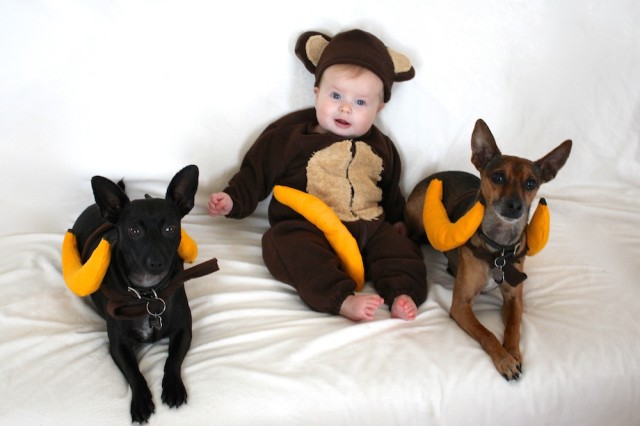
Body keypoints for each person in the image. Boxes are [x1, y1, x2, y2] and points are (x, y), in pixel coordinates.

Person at [208, 29, 426, 321]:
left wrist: (398, 220)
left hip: (367, 226)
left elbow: (390, 188)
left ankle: (402, 293)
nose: (345, 108)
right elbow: (257, 171)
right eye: (335, 95)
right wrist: (233, 199)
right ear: (317, 93)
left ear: (379, 107)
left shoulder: (382, 147)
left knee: (401, 251)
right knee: (283, 243)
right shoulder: (291, 137)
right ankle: (341, 298)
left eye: (361, 102)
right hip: (309, 228)